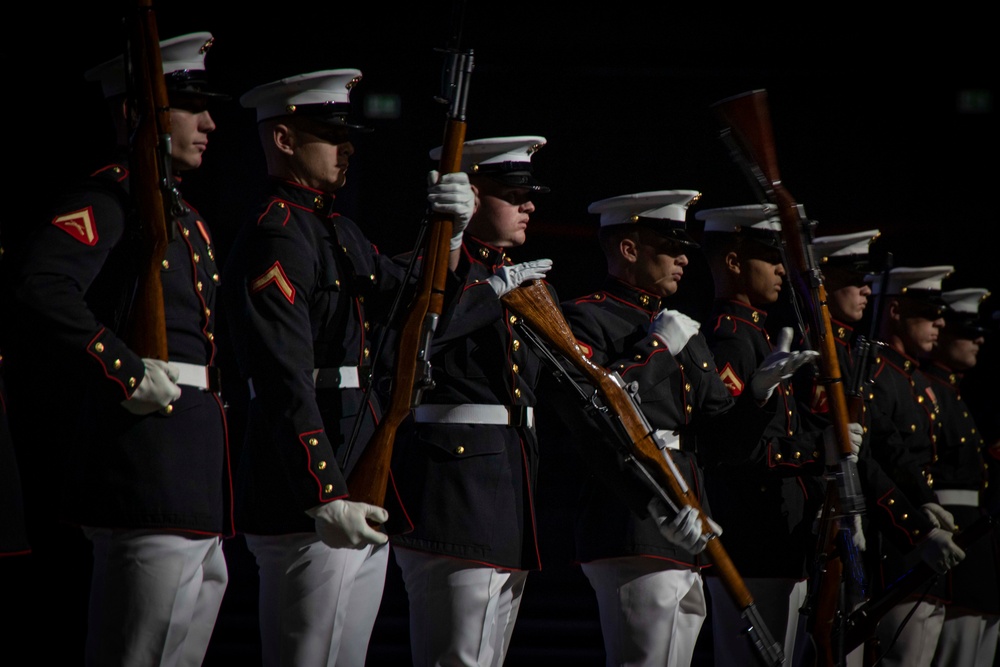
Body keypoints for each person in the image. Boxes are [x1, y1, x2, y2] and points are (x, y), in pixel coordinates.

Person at [223, 68, 475, 666]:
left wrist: (453, 238)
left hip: (354, 468)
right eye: (329, 134)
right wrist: (325, 491)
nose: (348, 147)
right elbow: (285, 377)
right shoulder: (280, 235)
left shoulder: (335, 230)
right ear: (284, 140)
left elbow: (412, 297)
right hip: (310, 486)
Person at [2, 32, 233, 665]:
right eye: (189, 106)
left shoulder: (178, 212)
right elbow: (42, 285)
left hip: (185, 466)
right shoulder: (108, 197)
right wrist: (125, 371)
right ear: (136, 114)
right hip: (143, 463)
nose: (210, 122)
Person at [552, 190, 781, 666]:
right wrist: (656, 347)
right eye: (670, 248)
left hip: (691, 519)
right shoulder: (585, 317)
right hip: (631, 519)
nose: (683, 259)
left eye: (684, 250)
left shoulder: (683, 329)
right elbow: (598, 407)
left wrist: (759, 394)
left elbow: (722, 441)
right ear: (629, 249)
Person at [383, 135, 555, 667]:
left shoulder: (511, 281)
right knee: (456, 657)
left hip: (505, 492)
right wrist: (484, 284)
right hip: (453, 496)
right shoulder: (421, 272)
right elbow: (418, 342)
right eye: (512, 194)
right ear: (471, 196)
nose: (529, 205)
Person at [801, 231, 965, 665]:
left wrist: (923, 508)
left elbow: (882, 444)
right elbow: (863, 455)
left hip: (856, 523)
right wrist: (915, 528)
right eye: (855, 281)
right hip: (822, 523)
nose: (866, 291)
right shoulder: (821, 352)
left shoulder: (852, 355)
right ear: (824, 283)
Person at [695, 204, 842, 666]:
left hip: (781, 540)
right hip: (751, 538)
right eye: (768, 257)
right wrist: (819, 451)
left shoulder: (758, 335)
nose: (782, 268)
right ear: (735, 263)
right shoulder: (730, 340)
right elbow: (732, 450)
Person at [865, 265, 968, 667]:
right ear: (894, 312)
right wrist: (916, 523)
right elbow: (883, 455)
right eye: (927, 313)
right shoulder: (878, 372)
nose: (939, 323)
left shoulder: (913, 379)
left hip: (918, 527)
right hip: (894, 538)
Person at [921, 287, 999, 667]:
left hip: (975, 533)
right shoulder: (928, 390)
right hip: (952, 529)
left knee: (977, 644)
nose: (978, 339)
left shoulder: (953, 392)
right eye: (967, 331)